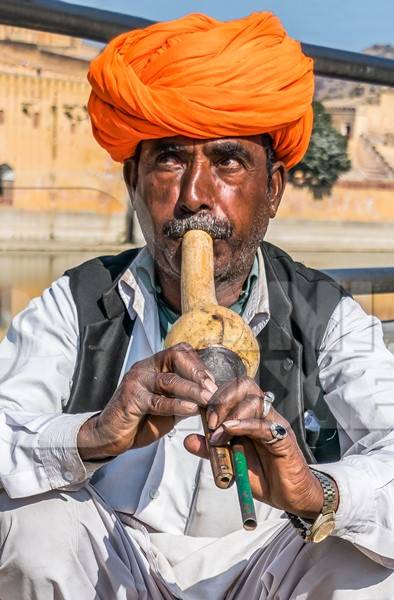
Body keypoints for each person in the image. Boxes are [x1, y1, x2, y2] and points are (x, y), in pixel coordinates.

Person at [0, 12, 394, 600]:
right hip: (115, 566)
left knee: (368, 555)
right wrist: (95, 434)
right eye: (169, 159)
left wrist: (316, 492)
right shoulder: (76, 302)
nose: (194, 197)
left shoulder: (325, 312)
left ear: (275, 188)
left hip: (267, 564)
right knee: (24, 526)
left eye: (228, 162)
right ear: (134, 180)